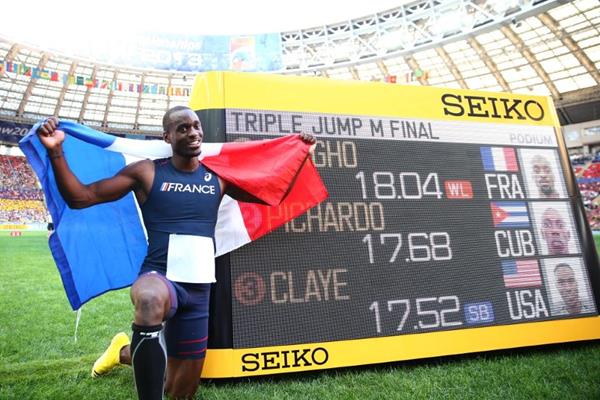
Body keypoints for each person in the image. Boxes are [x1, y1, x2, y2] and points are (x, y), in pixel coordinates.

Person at [36, 106, 316, 400]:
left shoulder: (218, 176)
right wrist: (56, 151)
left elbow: (273, 196)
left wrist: (299, 158)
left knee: (179, 389)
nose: (193, 133)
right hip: (159, 276)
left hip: (198, 292)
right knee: (148, 298)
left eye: (196, 126)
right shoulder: (147, 171)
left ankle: (120, 352)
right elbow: (81, 197)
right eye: (183, 128)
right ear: (167, 137)